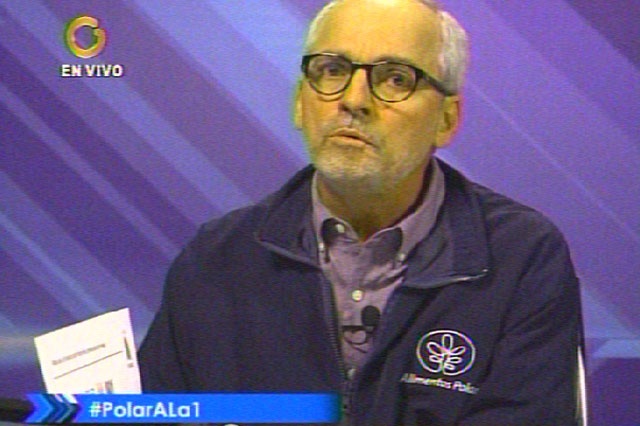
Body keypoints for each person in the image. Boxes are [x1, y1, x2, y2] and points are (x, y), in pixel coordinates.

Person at [139, 0, 584, 424]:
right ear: (299, 101)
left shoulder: (520, 258)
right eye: (332, 70)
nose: (354, 100)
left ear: (447, 119)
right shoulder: (216, 259)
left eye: (395, 78)